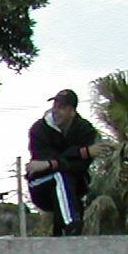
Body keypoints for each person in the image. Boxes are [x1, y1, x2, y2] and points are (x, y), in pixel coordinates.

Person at [27, 89, 103, 237]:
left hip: (74, 186)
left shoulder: (86, 131)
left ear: (72, 111)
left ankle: (62, 232)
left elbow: (80, 167)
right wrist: (83, 152)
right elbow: (42, 166)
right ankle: (71, 224)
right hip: (40, 185)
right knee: (60, 177)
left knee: (70, 183)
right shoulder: (39, 129)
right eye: (54, 106)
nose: (56, 111)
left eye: (61, 108)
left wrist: (51, 163)